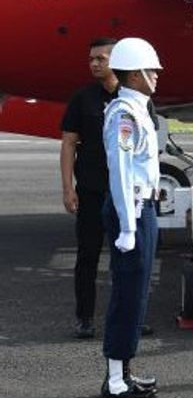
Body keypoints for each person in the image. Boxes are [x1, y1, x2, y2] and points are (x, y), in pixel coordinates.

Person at [99, 37, 164, 398]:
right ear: (134, 74)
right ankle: (115, 380)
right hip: (133, 210)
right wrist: (126, 226)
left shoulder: (138, 108)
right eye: (150, 69)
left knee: (137, 292)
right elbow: (121, 173)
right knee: (127, 293)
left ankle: (123, 371)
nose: (156, 75)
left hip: (142, 209)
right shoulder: (124, 113)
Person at [61, 38, 119, 339]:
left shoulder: (134, 97)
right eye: (91, 59)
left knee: (129, 257)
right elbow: (69, 143)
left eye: (101, 58)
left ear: (116, 60)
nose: (95, 63)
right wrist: (68, 188)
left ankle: (131, 315)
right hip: (92, 190)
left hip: (126, 193)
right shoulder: (82, 99)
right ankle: (84, 317)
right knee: (88, 256)